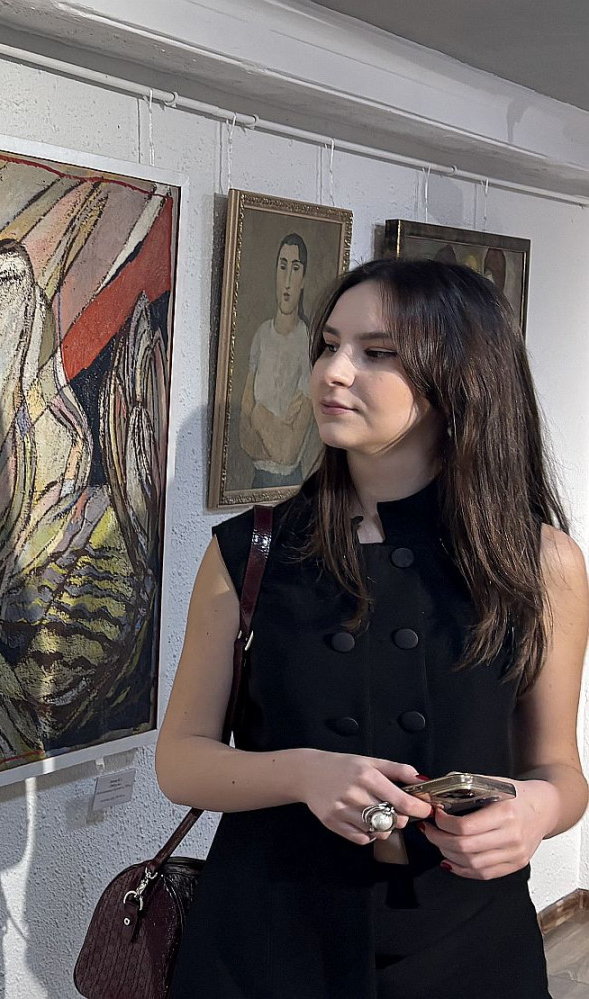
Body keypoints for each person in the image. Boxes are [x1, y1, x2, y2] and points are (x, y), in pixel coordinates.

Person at [156, 258, 588, 997]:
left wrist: (537, 810)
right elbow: (180, 761)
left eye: (376, 352)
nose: (333, 371)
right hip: (266, 940)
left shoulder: (540, 562)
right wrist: (303, 773)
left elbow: (559, 770)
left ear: (459, 378)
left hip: (468, 944)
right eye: (328, 345)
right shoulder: (251, 551)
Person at [238, 233, 321, 489]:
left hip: (289, 488)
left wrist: (259, 414)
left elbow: (288, 452)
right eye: (282, 266)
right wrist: (273, 429)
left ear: (303, 279)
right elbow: (244, 435)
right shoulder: (261, 335)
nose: (287, 281)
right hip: (256, 484)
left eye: (295, 269)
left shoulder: (308, 344)